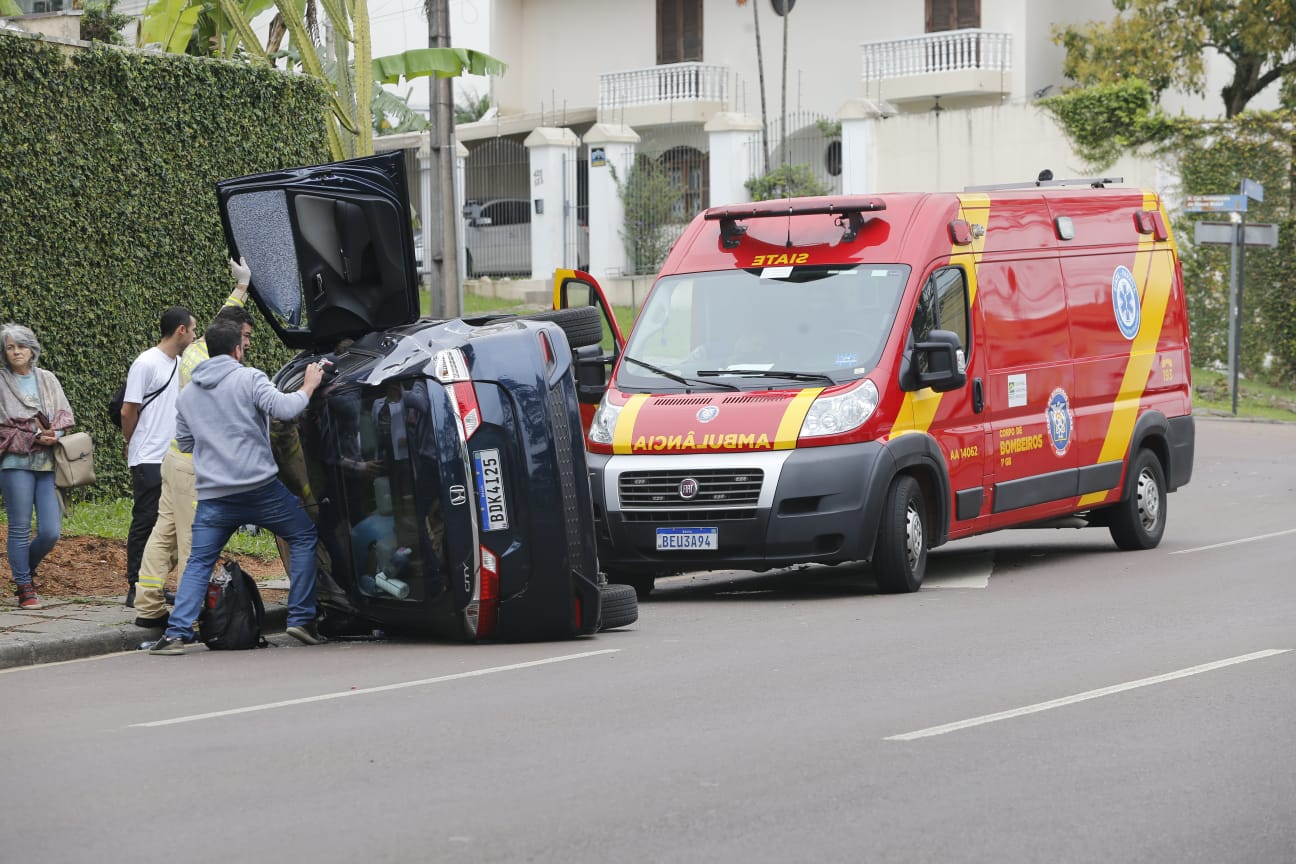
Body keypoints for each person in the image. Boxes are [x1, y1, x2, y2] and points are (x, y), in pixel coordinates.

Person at [150, 321, 326, 654]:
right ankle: (302, 619)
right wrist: (309, 385)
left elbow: (185, 443)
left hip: (216, 496)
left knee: (200, 561)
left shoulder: (187, 395)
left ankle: (176, 633)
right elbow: (287, 408)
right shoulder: (249, 378)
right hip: (261, 489)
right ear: (236, 350)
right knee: (302, 535)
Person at [132, 260, 256, 628]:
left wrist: (242, 285)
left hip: (174, 458)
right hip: (192, 466)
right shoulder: (211, 367)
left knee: (163, 533)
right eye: (245, 339)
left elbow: (225, 317)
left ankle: (148, 605)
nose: (246, 345)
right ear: (232, 342)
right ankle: (197, 613)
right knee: (193, 542)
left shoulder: (201, 348)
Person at [121, 305, 196, 607]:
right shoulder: (146, 363)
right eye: (192, 329)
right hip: (149, 456)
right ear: (181, 330)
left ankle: (153, 583)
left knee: (167, 525)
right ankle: (134, 586)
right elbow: (129, 410)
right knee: (146, 520)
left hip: (171, 456)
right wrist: (133, 441)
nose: (194, 335)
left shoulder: (180, 363)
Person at [0, 324, 75, 609]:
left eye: (21, 345)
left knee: (50, 531)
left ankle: (23, 573)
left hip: (47, 462)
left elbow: (65, 418)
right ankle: (24, 588)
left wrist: (57, 434)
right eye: (10, 347)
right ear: (4, 352)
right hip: (15, 462)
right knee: (19, 528)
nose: (17, 351)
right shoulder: (1, 382)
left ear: (32, 349)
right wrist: (32, 435)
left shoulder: (47, 379)